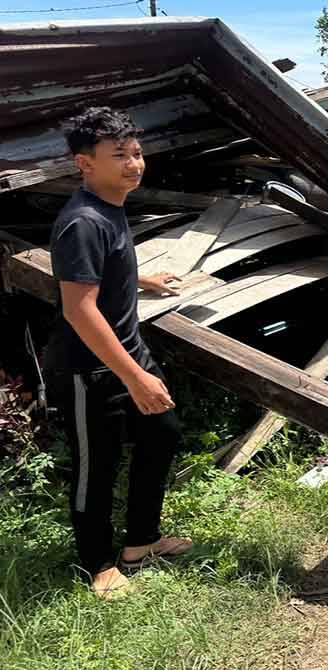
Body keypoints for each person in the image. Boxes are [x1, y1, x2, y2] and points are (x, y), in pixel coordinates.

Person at [42, 107, 192, 598]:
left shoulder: (110, 204)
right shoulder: (83, 221)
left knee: (163, 434)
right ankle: (98, 564)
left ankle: (140, 543)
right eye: (120, 155)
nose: (134, 164)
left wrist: (141, 279)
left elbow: (99, 272)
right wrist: (134, 377)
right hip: (89, 370)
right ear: (85, 164)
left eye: (137, 152)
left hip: (127, 353)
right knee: (97, 467)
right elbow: (79, 310)